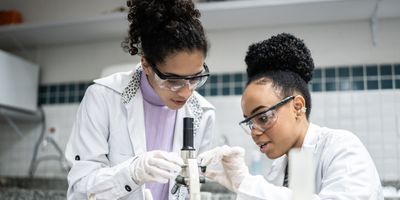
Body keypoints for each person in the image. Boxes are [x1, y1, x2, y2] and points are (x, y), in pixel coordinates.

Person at [198, 33, 383, 200]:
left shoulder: (341, 148)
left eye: (262, 118)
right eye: (249, 121)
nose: (254, 132)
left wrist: (246, 183)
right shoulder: (280, 168)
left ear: (297, 106)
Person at [65, 0, 215, 199]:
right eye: (173, 80)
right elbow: (79, 190)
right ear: (146, 63)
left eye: (196, 77)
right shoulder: (102, 98)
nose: (187, 93)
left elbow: (190, 189)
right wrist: (132, 173)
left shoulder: (203, 113)